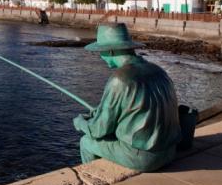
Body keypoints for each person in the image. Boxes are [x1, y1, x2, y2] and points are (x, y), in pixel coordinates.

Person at [73, 23, 181, 172]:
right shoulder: (159, 71)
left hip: (144, 158)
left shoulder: (120, 79)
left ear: (110, 51)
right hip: (170, 151)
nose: (101, 57)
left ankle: (97, 184)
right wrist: (98, 113)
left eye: (100, 51)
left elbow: (98, 130)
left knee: (86, 142)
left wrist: (80, 123)